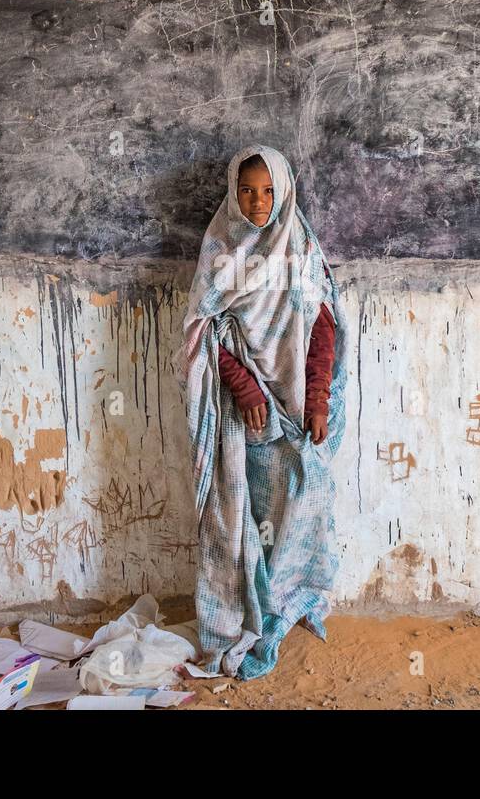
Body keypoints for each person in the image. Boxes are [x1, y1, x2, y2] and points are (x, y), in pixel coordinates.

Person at [174, 144, 348, 680]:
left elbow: (322, 328)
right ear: (233, 190)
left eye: (268, 190)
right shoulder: (221, 248)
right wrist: (246, 387)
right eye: (247, 190)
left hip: (299, 408)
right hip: (245, 416)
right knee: (245, 519)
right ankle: (244, 614)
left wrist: (316, 399)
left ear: (285, 192)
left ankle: (285, 607)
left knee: (305, 499)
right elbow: (207, 332)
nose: (256, 201)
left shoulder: (299, 246)